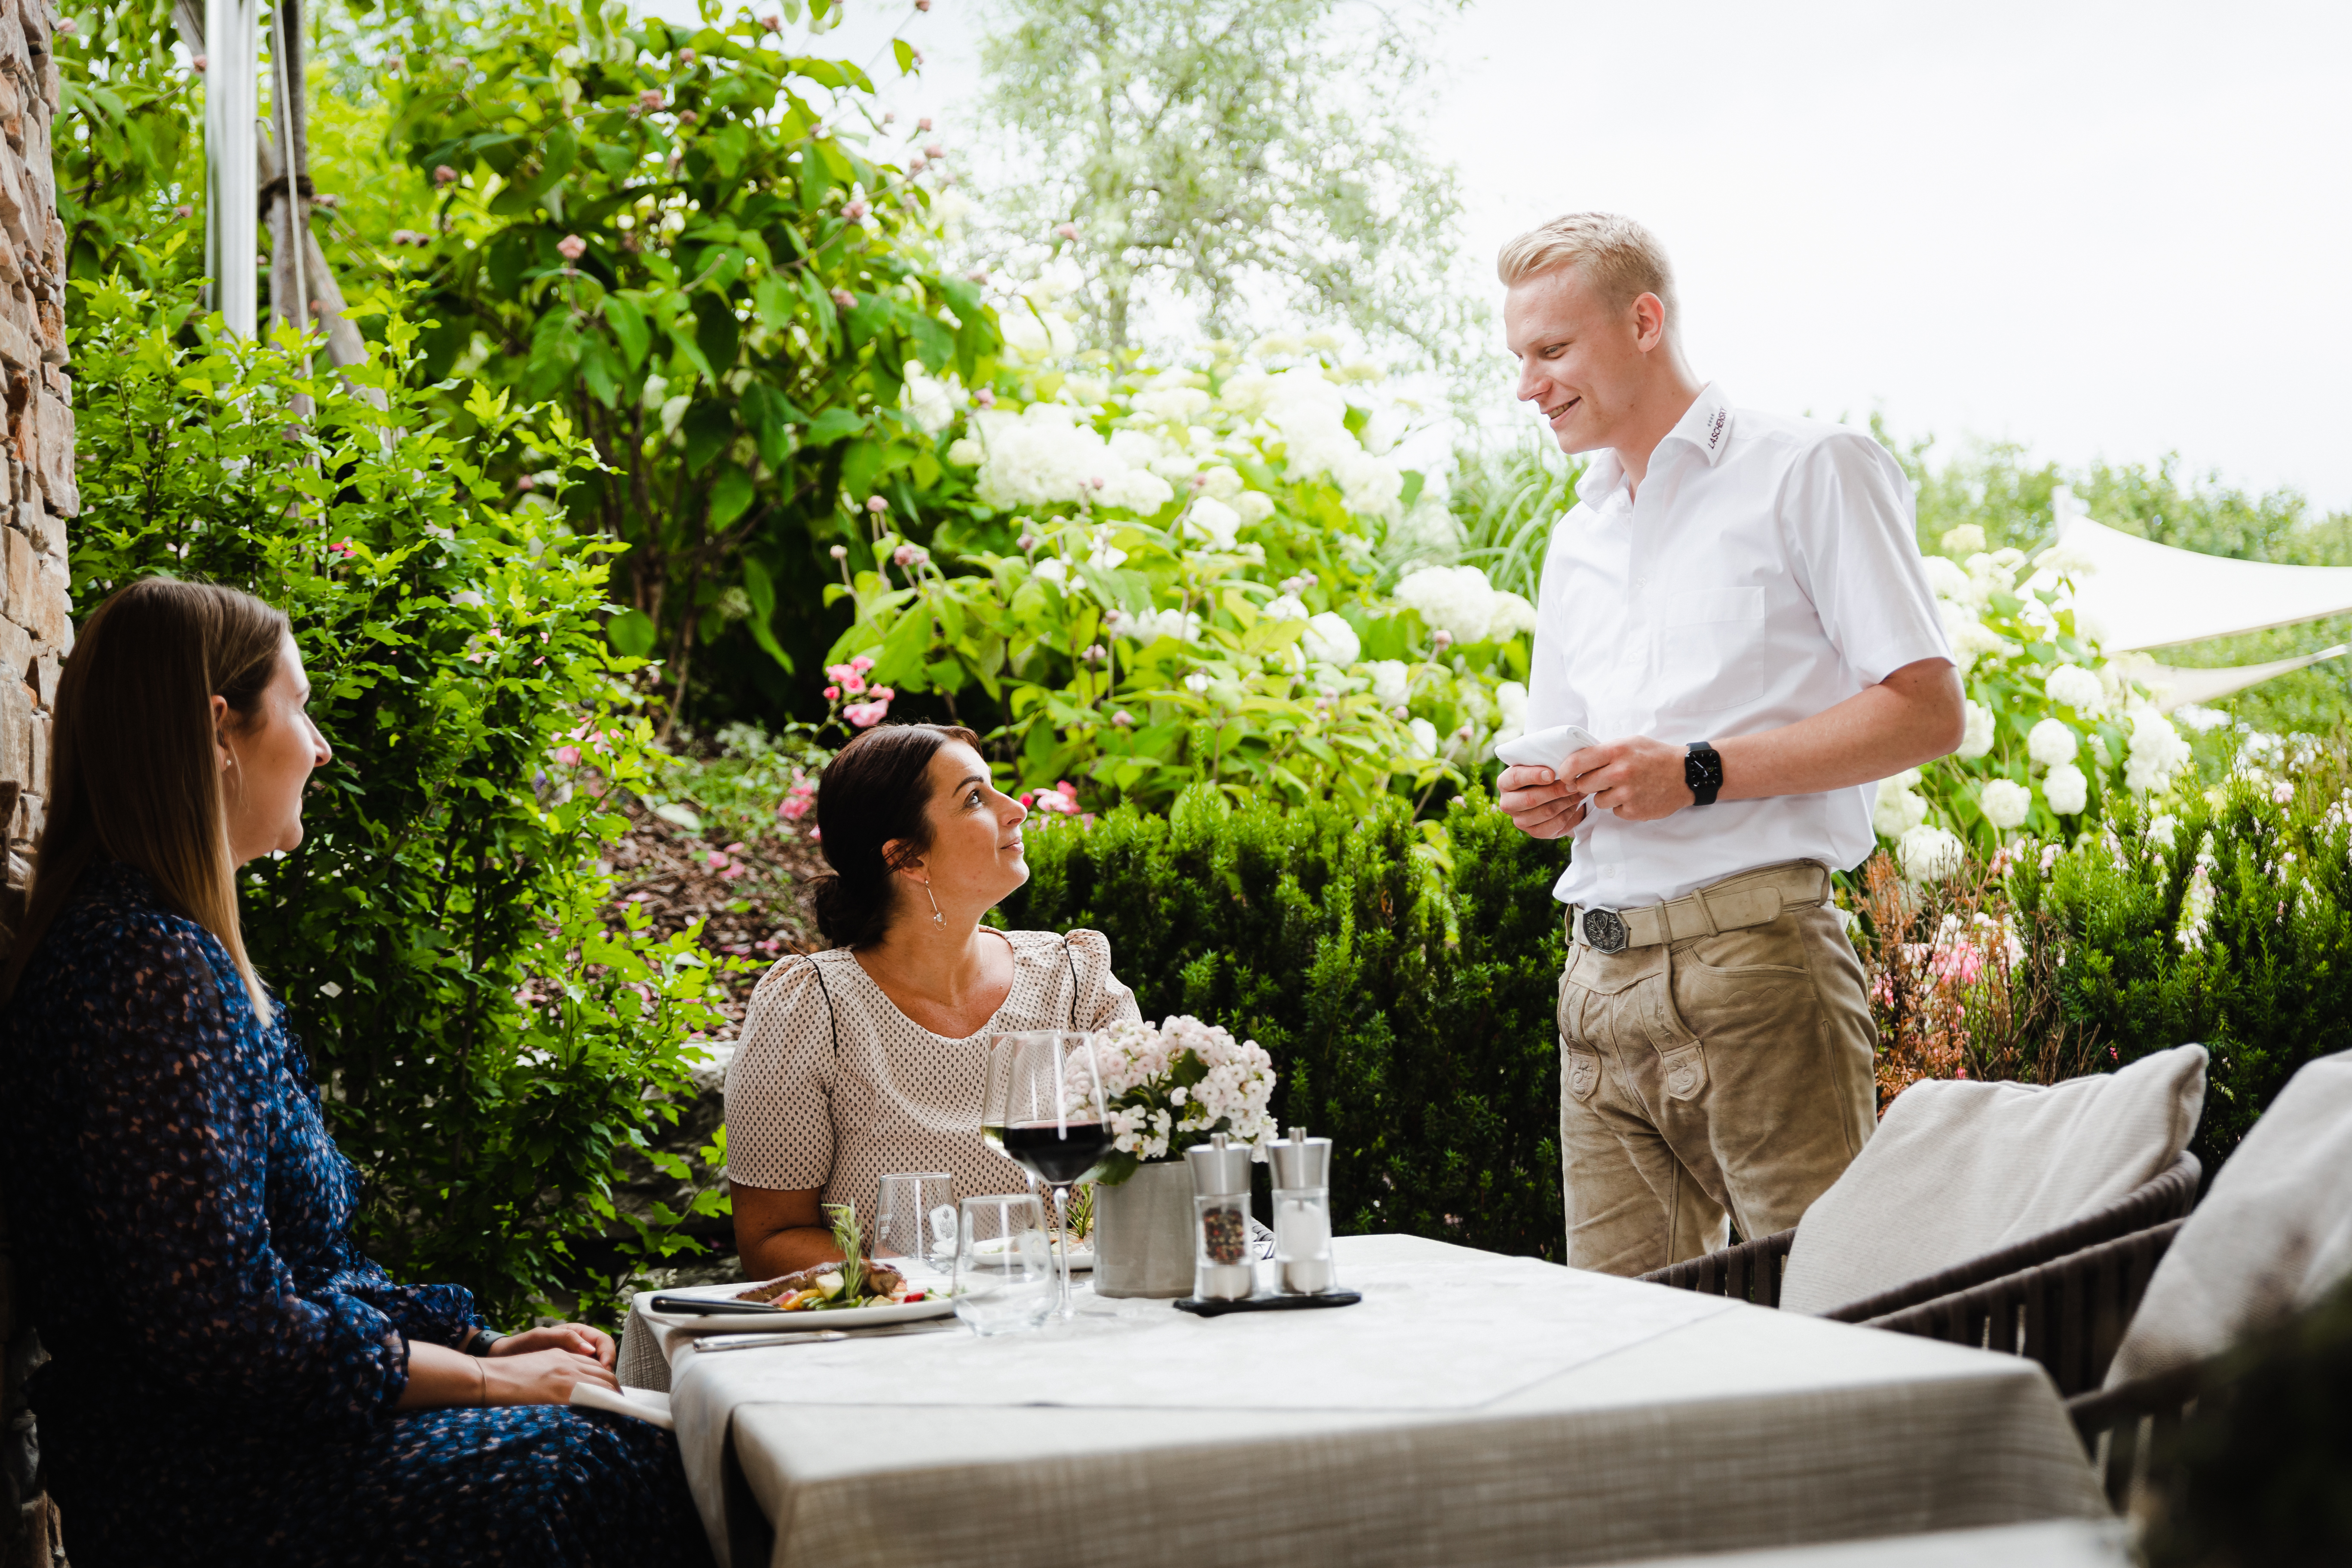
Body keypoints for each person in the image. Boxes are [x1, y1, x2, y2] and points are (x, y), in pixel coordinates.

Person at [0, 579, 711, 1568]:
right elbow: (228, 1329)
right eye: (298, 706)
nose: (322, 745)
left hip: (243, 1445)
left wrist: (479, 1343)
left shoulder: (172, 953)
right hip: (200, 1479)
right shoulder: (143, 970)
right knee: (594, 1460)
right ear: (218, 731)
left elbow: (300, 1283)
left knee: (626, 1435)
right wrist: (494, 1384)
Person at [1492, 213, 1964, 1277]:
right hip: (1596, 983)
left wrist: (1700, 773)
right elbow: (1570, 745)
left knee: (1835, 1319)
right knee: (1622, 1350)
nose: (1530, 384)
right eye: (1520, 359)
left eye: (1552, 351)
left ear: (1644, 321)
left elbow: (1929, 710)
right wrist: (1543, 796)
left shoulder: (1810, 470)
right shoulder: (1580, 534)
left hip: (1758, 969)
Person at [725, 723, 1141, 1279]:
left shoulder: (1075, 978)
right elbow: (769, 1242)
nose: (1015, 808)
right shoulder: (811, 1008)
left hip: (1081, 1324)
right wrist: (932, 1283)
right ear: (907, 859)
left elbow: (1152, 1165)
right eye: (975, 798)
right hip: (898, 1342)